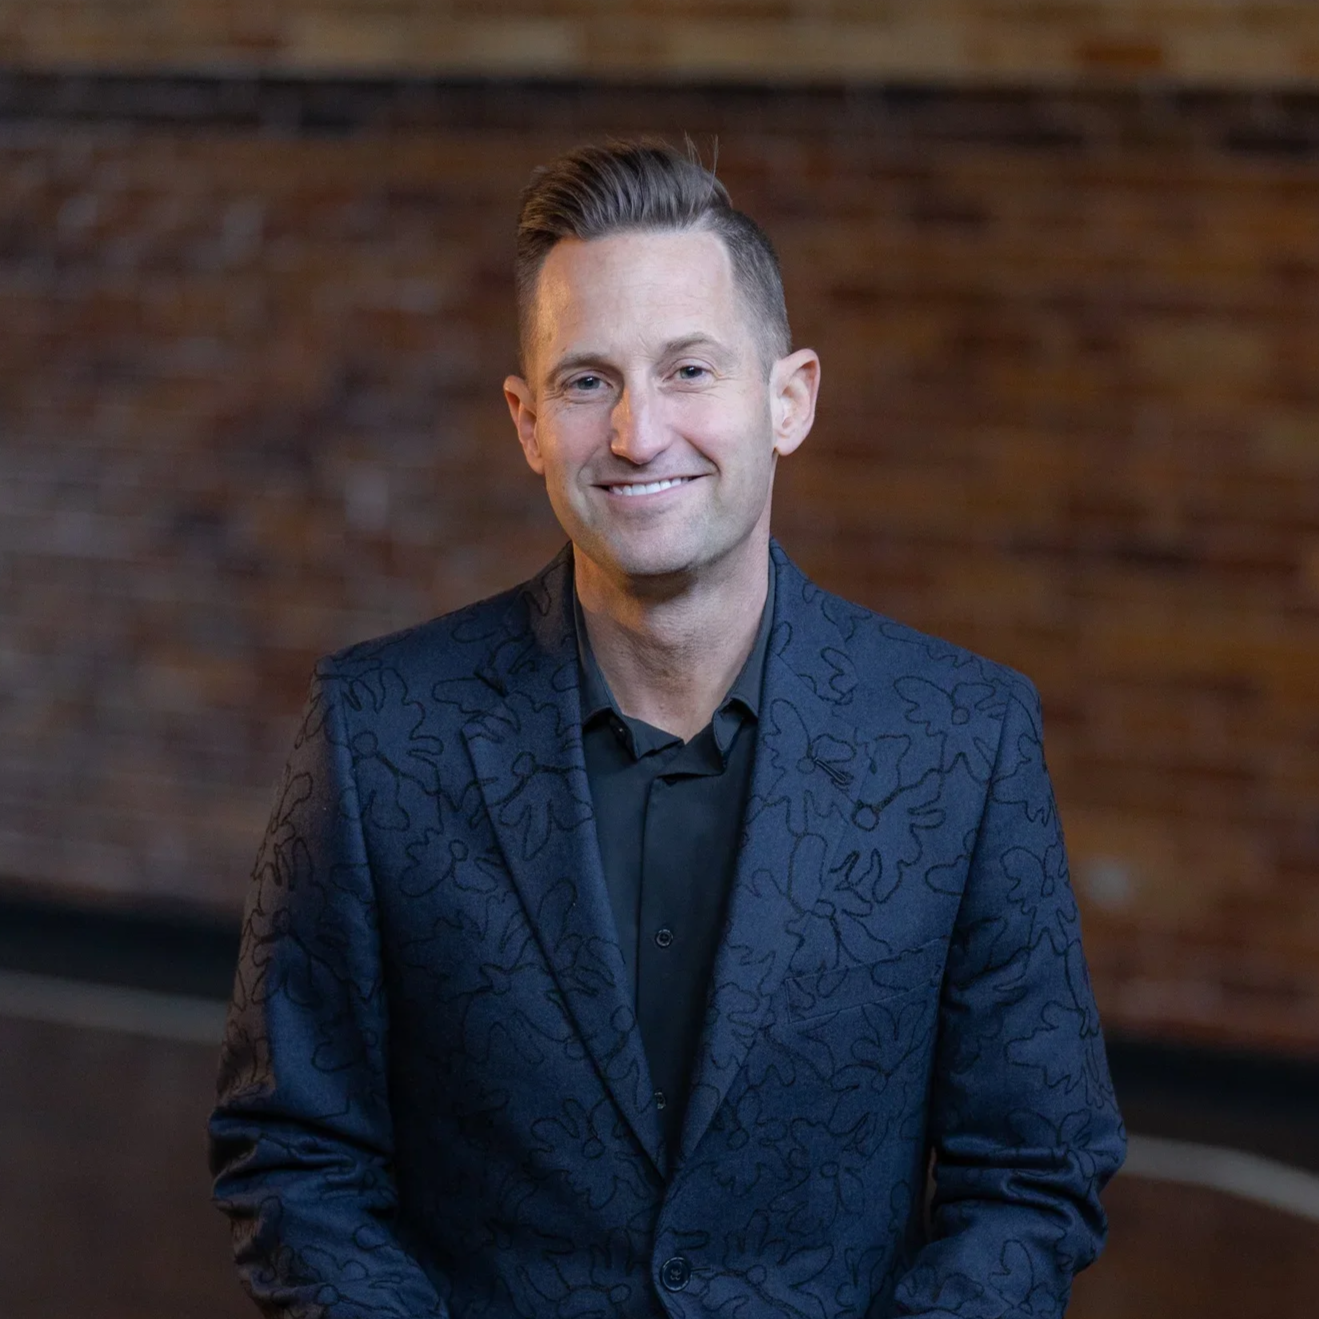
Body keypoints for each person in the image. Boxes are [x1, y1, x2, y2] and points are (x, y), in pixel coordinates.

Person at [208, 139, 1126, 1319]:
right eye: (587, 381)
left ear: (787, 398)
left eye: (688, 369)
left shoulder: (963, 738)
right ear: (527, 419)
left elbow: (1031, 1174)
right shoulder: (381, 728)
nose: (639, 433)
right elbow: (294, 1152)